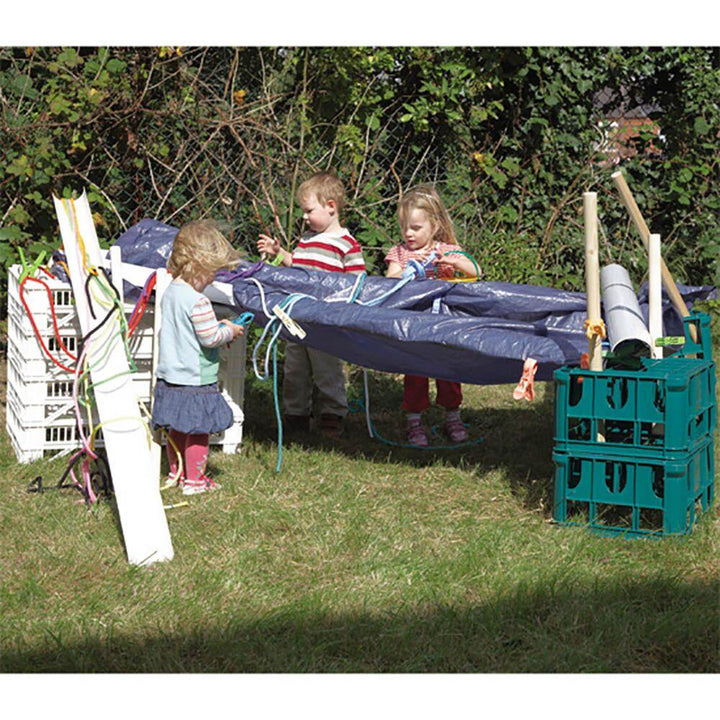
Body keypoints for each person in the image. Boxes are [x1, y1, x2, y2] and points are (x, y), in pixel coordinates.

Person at [257, 171, 365, 438]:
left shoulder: (346, 245)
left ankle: (332, 414)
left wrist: (349, 310)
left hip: (326, 320)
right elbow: (298, 266)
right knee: (295, 368)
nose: (304, 216)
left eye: (308, 210)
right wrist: (279, 253)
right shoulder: (307, 240)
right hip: (297, 317)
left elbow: (358, 281)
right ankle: (296, 415)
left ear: (331, 207)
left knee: (327, 369)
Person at [152, 219, 245, 495]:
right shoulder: (199, 301)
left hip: (170, 376)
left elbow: (189, 334)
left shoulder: (171, 292)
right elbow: (209, 337)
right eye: (213, 272)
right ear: (199, 265)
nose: (213, 279)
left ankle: (175, 472)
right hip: (195, 379)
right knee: (198, 429)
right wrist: (228, 330)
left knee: (177, 427)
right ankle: (195, 481)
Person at [385, 184, 481, 447]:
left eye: (415, 228)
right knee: (414, 372)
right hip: (414, 324)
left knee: (449, 369)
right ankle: (414, 421)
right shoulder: (400, 252)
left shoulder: (445, 249)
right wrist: (404, 274)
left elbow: (475, 269)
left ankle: (453, 416)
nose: (408, 233)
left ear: (434, 226)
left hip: (444, 323)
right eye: (404, 227)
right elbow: (389, 278)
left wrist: (454, 263)